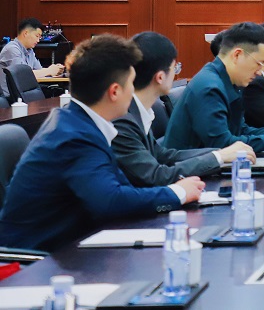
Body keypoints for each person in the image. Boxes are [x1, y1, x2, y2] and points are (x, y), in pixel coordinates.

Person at [0, 34, 204, 251]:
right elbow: (110, 200)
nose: (134, 91)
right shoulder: (74, 136)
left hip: (70, 249)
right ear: (115, 92)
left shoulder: (78, 122)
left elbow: (121, 188)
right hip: (34, 261)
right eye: (131, 83)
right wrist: (177, 193)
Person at [112, 31, 256, 187]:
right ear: (160, 77)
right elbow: (154, 176)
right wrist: (219, 157)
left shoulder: (138, 111)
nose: (176, 73)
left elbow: (163, 155)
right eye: (175, 68)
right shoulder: (123, 121)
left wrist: (221, 154)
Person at [163, 22, 264, 155]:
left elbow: (241, 130)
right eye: (258, 63)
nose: (259, 72)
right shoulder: (210, 87)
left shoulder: (229, 82)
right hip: (192, 172)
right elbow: (222, 145)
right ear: (237, 55)